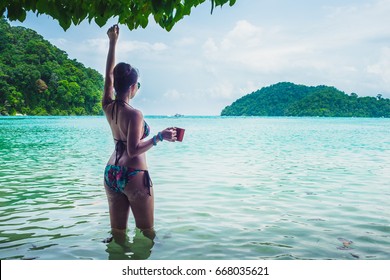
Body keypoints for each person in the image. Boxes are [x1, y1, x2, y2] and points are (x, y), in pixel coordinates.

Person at [102, 24, 177, 242]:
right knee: (147, 234)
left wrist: (112, 42)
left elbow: (108, 76)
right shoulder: (135, 114)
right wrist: (159, 137)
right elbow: (133, 150)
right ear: (134, 86)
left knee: (118, 235)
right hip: (133, 176)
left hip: (111, 173)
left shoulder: (108, 105)